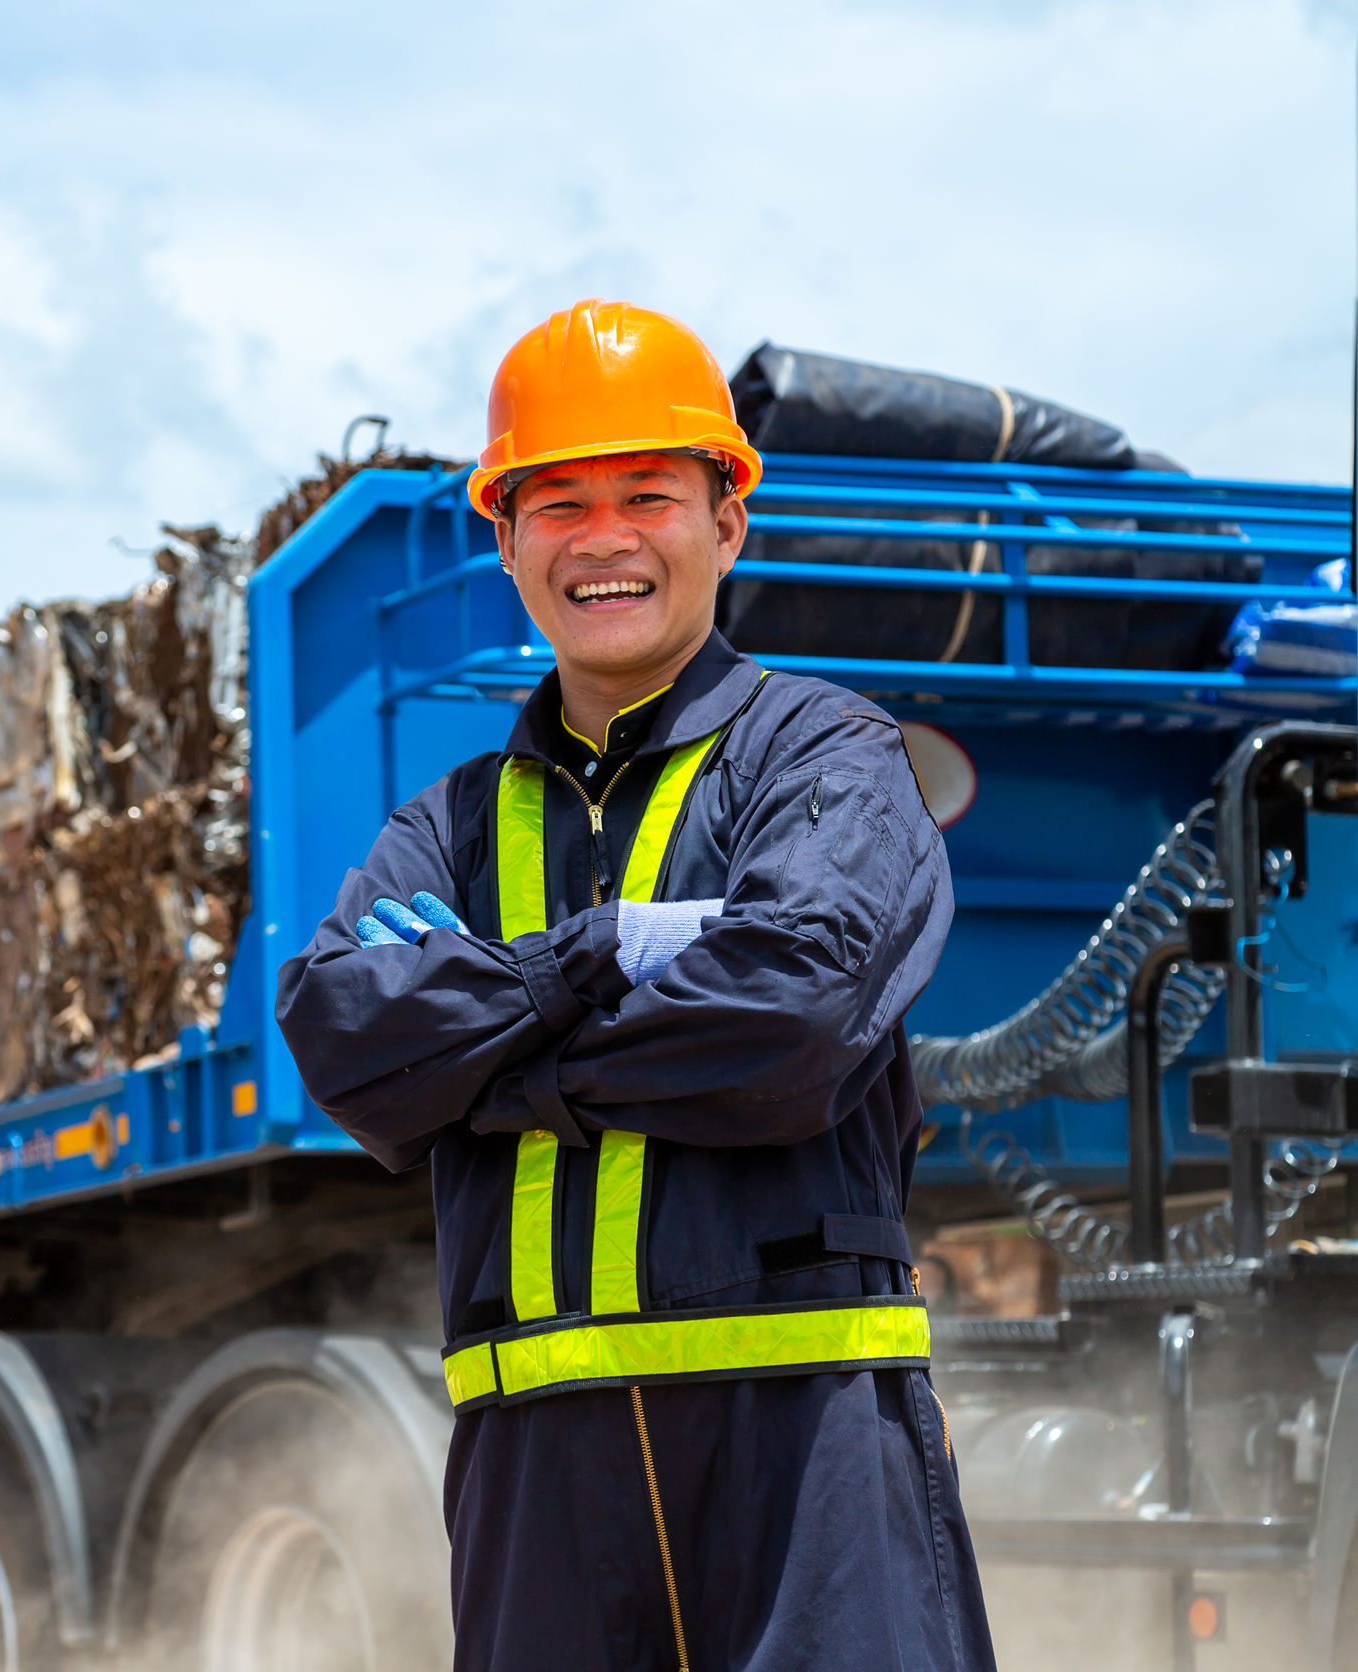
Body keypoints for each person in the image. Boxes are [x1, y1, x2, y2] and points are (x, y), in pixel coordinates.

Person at [274, 299, 994, 1672]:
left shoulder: (825, 757)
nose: (603, 539)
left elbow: (790, 1023)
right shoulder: (454, 822)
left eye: (648, 494)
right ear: (504, 539)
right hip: (537, 1484)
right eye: (557, 504)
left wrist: (492, 1056)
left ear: (727, 519)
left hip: (800, 1445)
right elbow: (347, 1042)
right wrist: (605, 954)